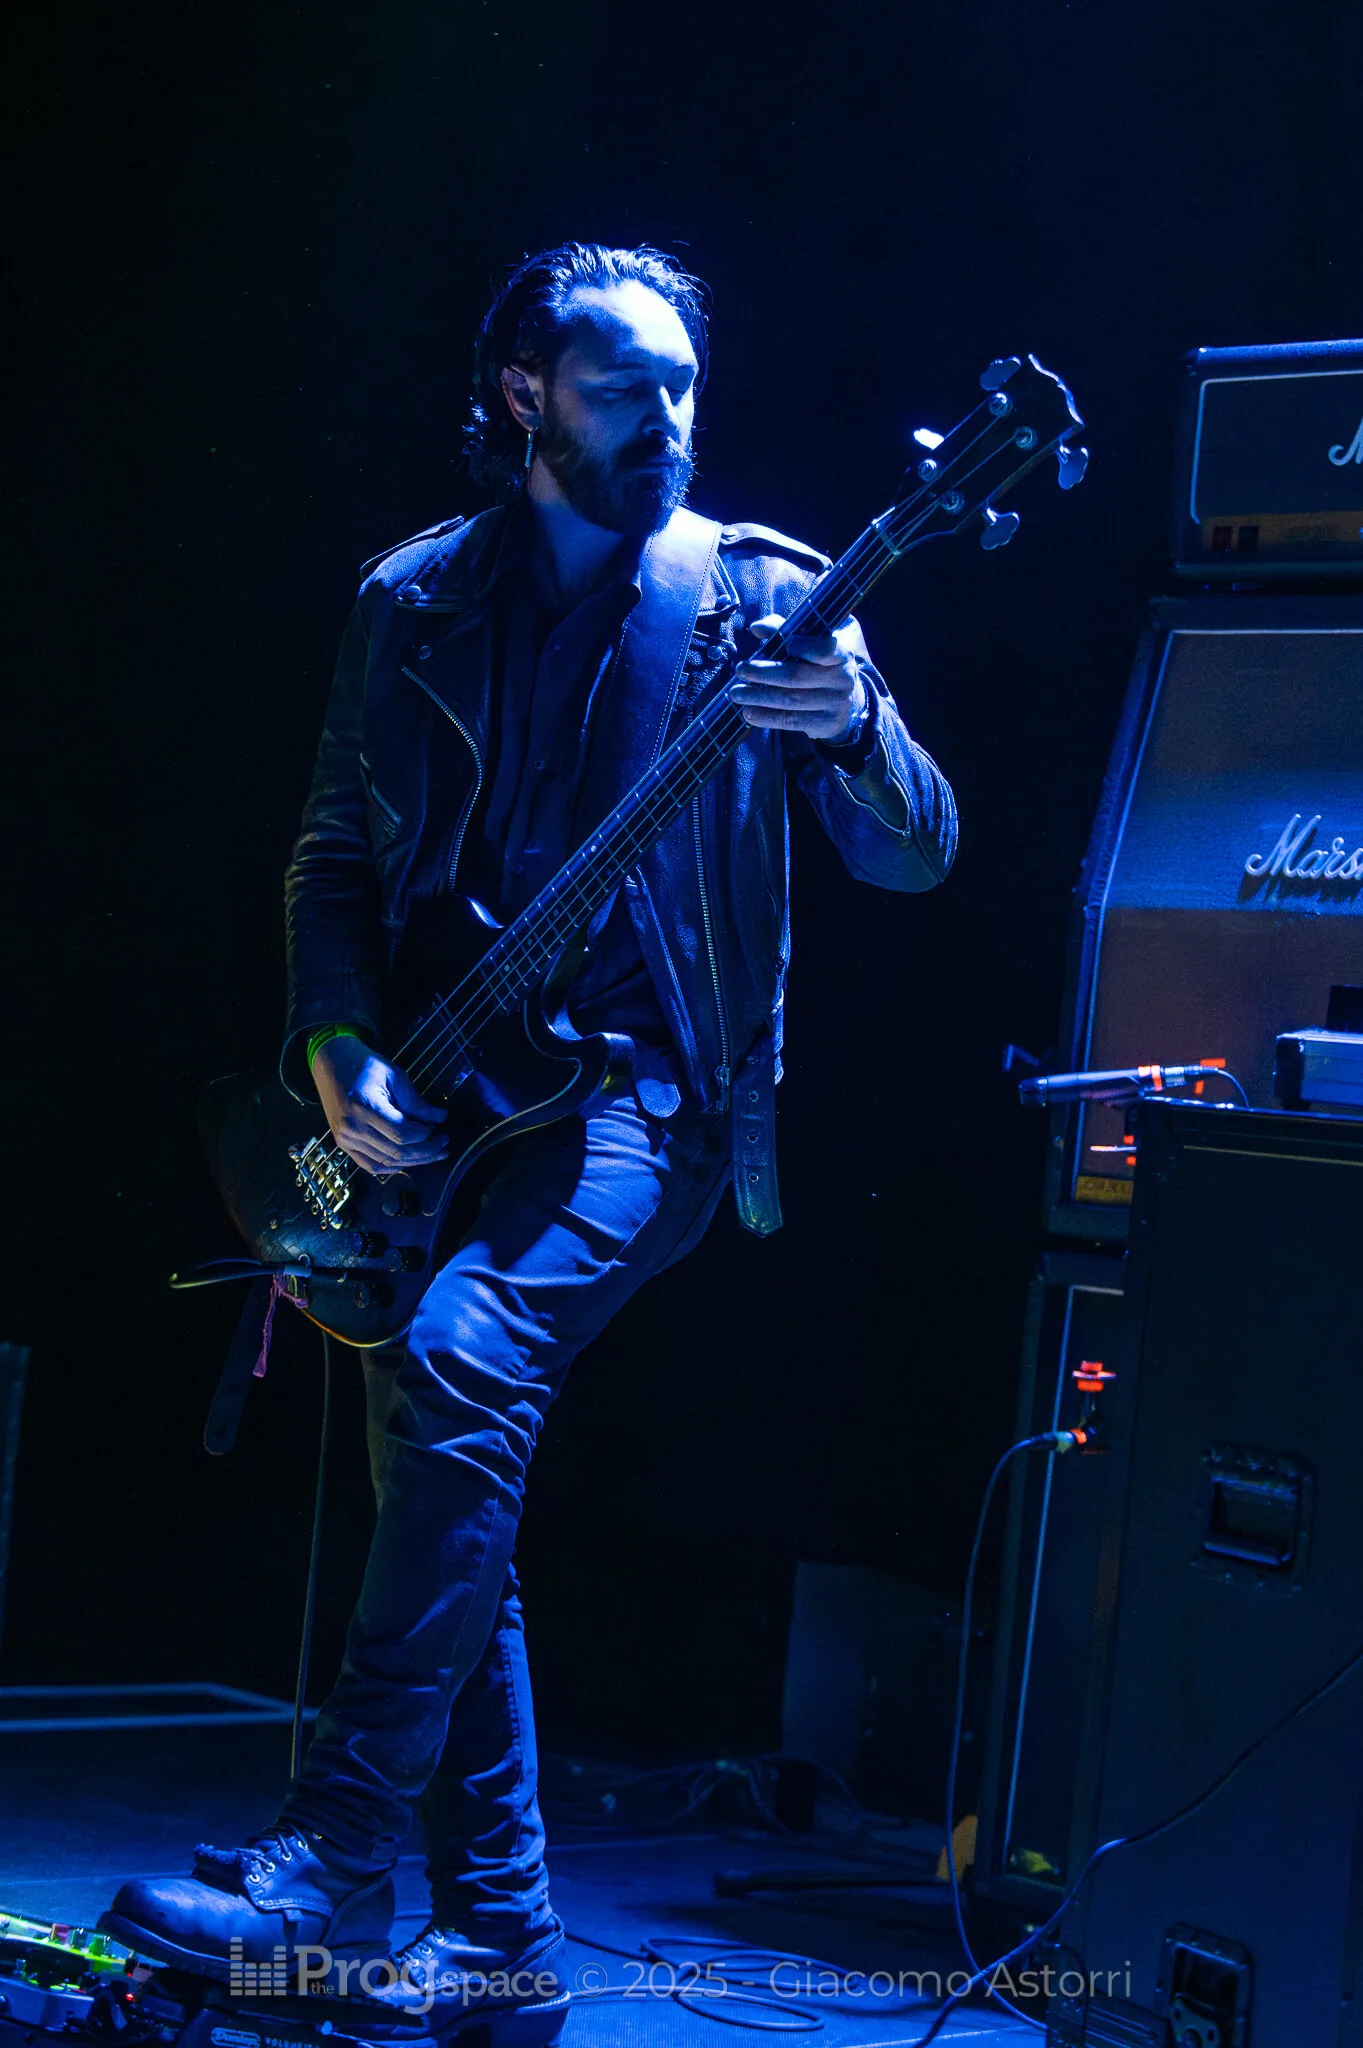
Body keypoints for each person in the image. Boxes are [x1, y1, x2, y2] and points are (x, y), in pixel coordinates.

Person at [105, 242, 957, 2033]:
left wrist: (858, 729)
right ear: (521, 395)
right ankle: (499, 1942)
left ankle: (334, 1853)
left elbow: (914, 850)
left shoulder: (758, 596)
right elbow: (335, 855)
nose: (667, 417)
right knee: (444, 1454)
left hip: (654, 1096)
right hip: (446, 1087)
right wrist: (335, 1046)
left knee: (461, 1359)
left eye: (681, 385)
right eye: (623, 386)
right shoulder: (414, 595)